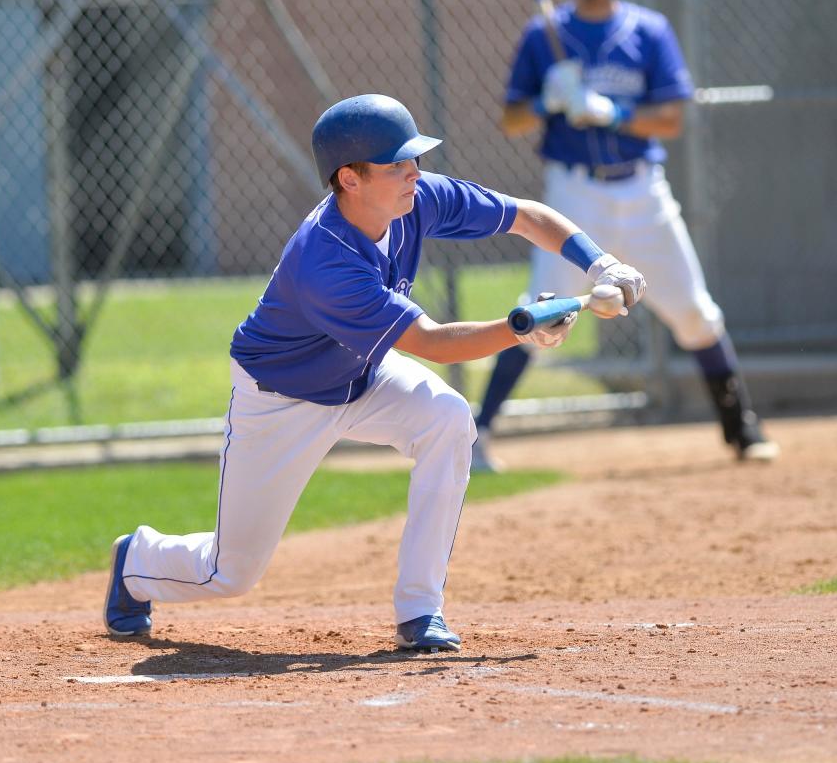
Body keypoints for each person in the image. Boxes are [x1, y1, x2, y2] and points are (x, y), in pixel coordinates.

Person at [103, 93, 646, 652]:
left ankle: (420, 610)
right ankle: (137, 560)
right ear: (350, 180)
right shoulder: (326, 260)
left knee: (447, 419)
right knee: (230, 574)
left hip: (362, 375)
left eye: (415, 161)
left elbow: (525, 216)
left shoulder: (416, 201)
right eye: (397, 166)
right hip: (283, 401)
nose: (415, 174)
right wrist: (519, 329)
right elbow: (433, 344)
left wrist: (601, 263)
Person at [470, 0, 778, 473]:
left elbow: (672, 118)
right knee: (542, 307)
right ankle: (476, 434)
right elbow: (512, 119)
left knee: (694, 312)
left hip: (641, 193)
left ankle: (741, 428)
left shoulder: (647, 30)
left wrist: (611, 112)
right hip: (573, 194)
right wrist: (548, 102)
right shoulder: (543, 34)